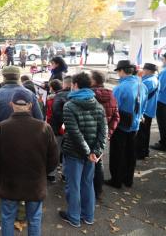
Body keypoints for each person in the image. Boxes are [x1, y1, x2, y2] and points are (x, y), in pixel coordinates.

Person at [0, 88, 58, 236]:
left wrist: (3, 175)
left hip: (9, 183)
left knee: (7, 218)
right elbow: (53, 159)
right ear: (31, 105)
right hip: (35, 183)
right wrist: (41, 174)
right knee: (34, 219)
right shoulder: (44, 128)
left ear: (11, 104)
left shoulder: (1, 128)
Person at [59, 72, 106, 228]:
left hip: (74, 152)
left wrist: (89, 152)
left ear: (76, 85)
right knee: (87, 184)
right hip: (91, 154)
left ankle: (74, 217)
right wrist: (96, 152)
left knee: (74, 186)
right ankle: (88, 216)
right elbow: (103, 131)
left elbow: (74, 132)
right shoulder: (98, 105)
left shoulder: (69, 105)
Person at [106, 60, 147, 189]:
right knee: (131, 152)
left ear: (122, 71)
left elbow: (113, 108)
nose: (118, 74)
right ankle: (128, 180)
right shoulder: (142, 85)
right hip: (135, 124)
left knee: (118, 153)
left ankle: (116, 180)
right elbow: (144, 105)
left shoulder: (120, 87)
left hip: (121, 125)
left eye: (118, 71)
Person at [90, 70, 119, 199]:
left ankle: (87, 191)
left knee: (86, 161)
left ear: (94, 81)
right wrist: (108, 133)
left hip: (89, 133)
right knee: (98, 161)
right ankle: (98, 190)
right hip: (103, 135)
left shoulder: (89, 95)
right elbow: (116, 117)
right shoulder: (112, 95)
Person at [152, 51, 166, 151]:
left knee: (163, 123)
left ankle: (164, 144)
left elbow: (160, 87)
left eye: (163, 59)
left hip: (163, 100)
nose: (162, 61)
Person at [45, 79, 63, 183]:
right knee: (64, 151)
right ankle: (64, 174)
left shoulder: (50, 100)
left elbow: (48, 114)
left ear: (51, 88)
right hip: (65, 127)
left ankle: (51, 174)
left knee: (53, 151)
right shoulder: (66, 97)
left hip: (54, 127)